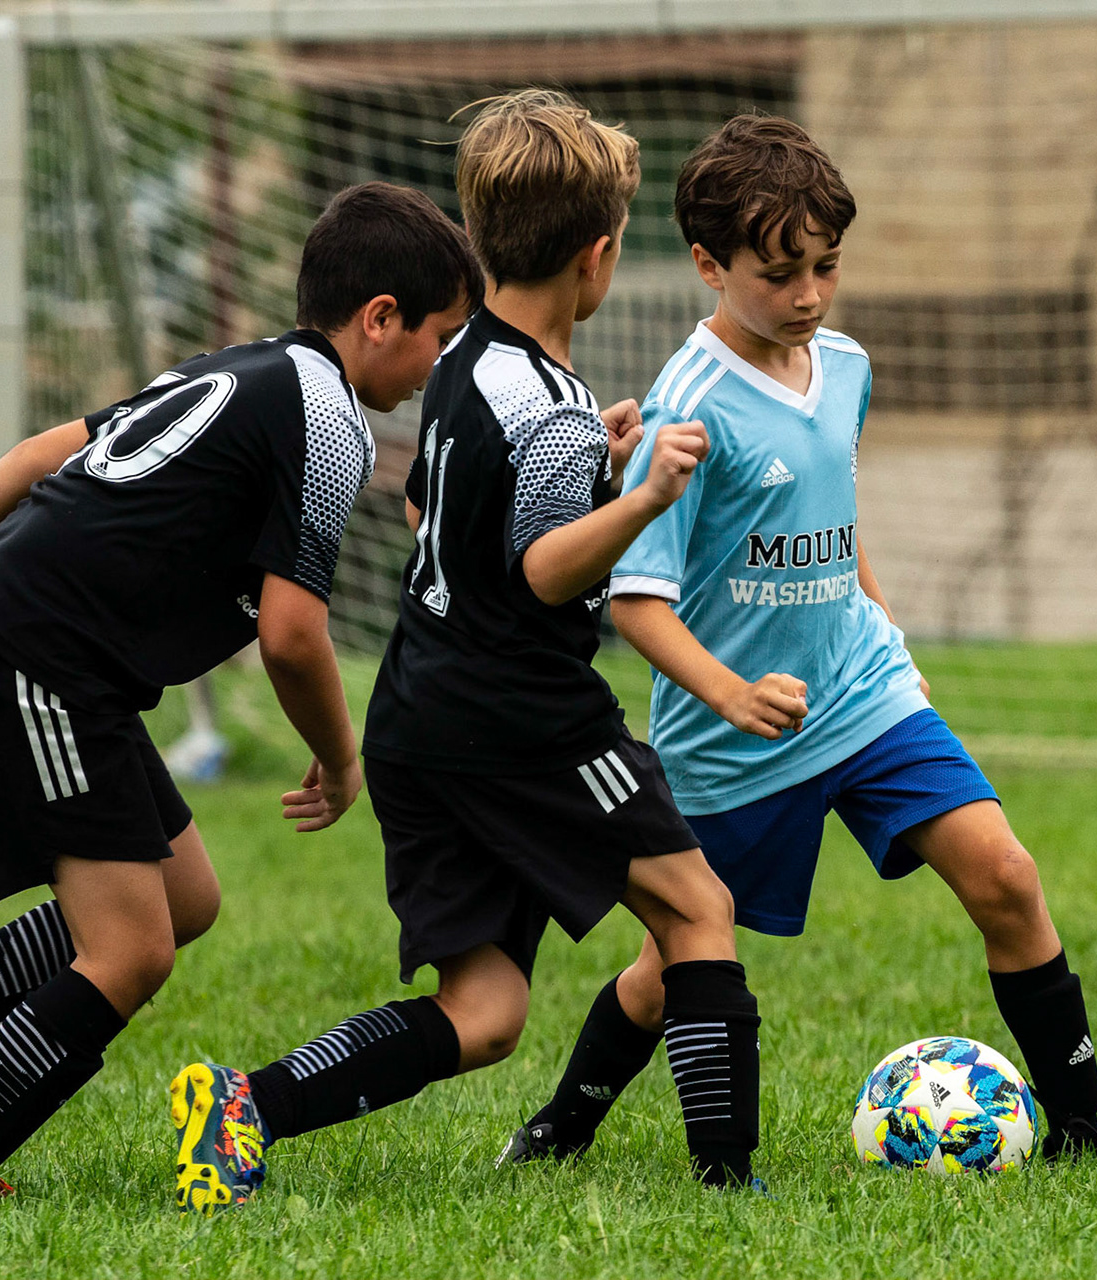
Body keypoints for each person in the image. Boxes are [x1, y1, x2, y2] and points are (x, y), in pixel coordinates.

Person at [509, 113, 1097, 1165]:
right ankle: (563, 1122)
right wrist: (729, 693)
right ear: (710, 265)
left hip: (861, 692)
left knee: (1006, 874)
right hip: (736, 735)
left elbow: (834, 504)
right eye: (780, 273)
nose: (808, 294)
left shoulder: (844, 364)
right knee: (674, 955)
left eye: (826, 266)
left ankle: (1085, 1129)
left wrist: (879, 612)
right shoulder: (691, 405)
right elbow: (634, 601)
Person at [0, 180, 484, 1197]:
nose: (439, 366)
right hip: (38, 656)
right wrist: (344, 757)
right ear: (380, 318)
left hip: (47, 651)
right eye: (440, 337)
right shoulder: (332, 421)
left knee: (185, 897)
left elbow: (50, 450)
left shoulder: (248, 370)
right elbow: (294, 635)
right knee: (128, 951)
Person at [170, 90, 763, 1215]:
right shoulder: (550, 406)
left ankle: (244, 1104)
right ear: (598, 256)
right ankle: (731, 1186)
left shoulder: (460, 359)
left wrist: (600, 460)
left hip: (421, 713)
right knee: (697, 911)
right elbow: (544, 569)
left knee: (485, 1011)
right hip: (523, 717)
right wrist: (641, 494)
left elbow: (450, 514)